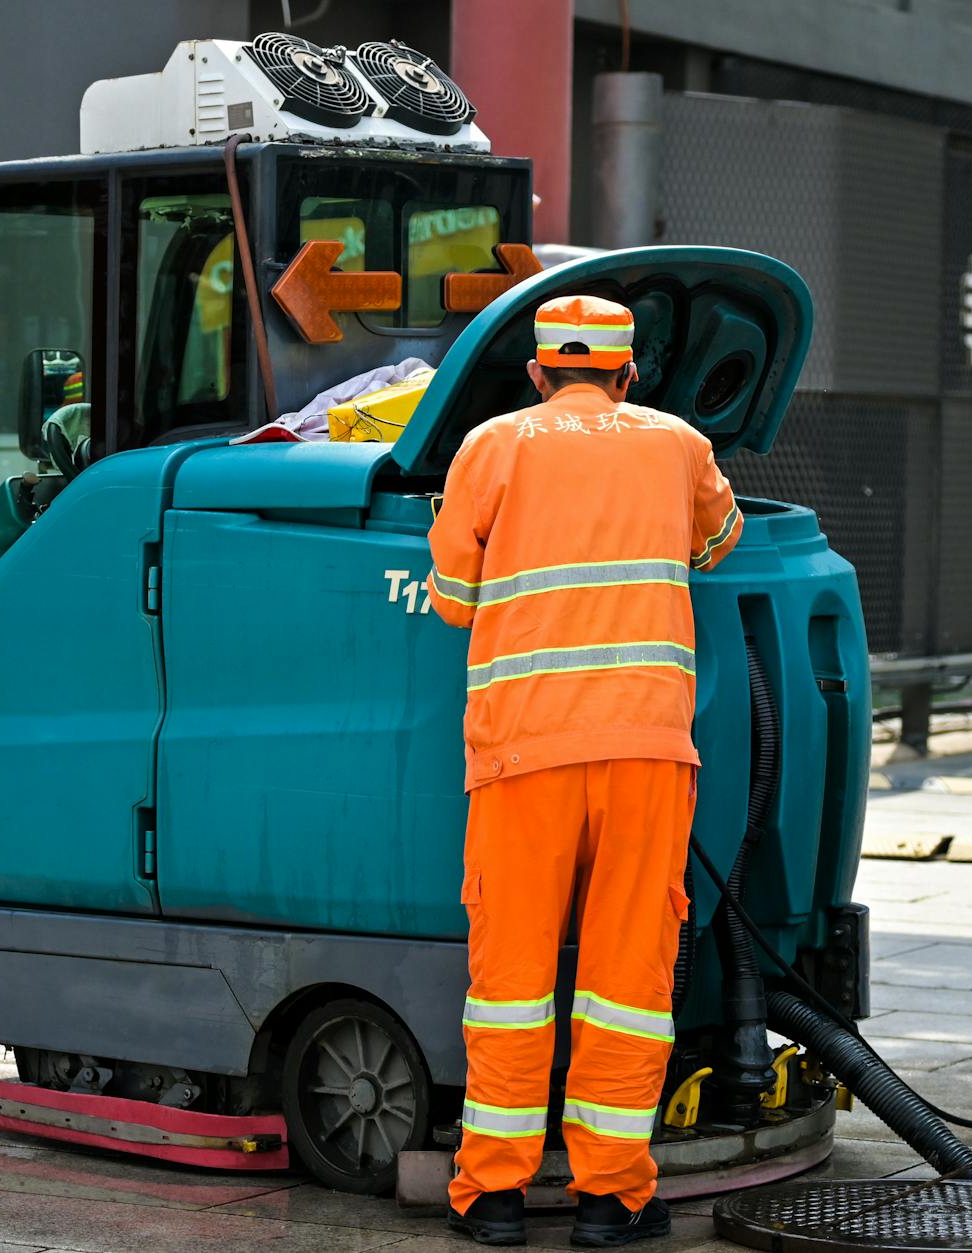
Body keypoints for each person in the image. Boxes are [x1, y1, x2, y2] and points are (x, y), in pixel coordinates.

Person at [426, 294, 742, 1248]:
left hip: (524, 754)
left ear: (536, 372)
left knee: (513, 980)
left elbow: (450, 599)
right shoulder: (678, 443)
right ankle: (613, 1200)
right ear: (627, 371)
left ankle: (495, 1198)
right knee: (626, 981)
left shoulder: (491, 446)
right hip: (647, 751)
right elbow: (720, 542)